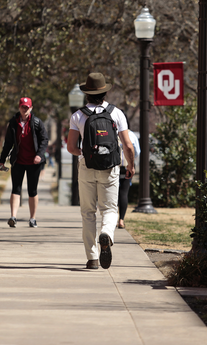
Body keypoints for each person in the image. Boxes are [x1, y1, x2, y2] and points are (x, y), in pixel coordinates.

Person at [67, 73, 135, 269]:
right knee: (109, 209)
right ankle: (106, 233)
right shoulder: (117, 113)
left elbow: (71, 147)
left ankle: (92, 258)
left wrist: (85, 154)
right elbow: (128, 146)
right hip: (110, 168)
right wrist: (130, 165)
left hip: (86, 167)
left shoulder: (78, 116)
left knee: (88, 213)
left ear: (86, 94)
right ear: (105, 92)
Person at [0, 97, 49, 228]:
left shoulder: (37, 122)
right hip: (18, 161)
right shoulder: (13, 123)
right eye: (22, 107)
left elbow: (44, 140)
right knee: (16, 188)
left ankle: (32, 218)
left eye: (27, 107)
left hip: (34, 162)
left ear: (31, 108)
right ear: (19, 108)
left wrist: (39, 155)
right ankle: (13, 217)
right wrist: (2, 161)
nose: (24, 109)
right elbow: (8, 143)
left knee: (32, 190)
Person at [117, 129, 140, 229]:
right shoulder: (131, 135)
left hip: (112, 167)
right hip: (127, 166)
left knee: (112, 193)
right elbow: (137, 151)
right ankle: (121, 220)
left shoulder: (111, 132)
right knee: (124, 193)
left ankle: (111, 219)